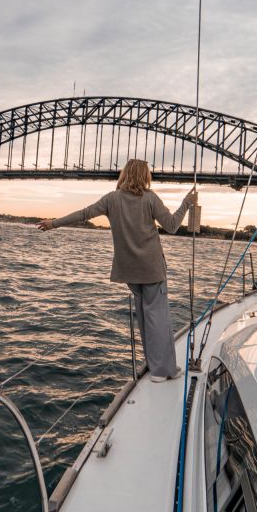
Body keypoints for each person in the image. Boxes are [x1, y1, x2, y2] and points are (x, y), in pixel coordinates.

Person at [37, 159, 197, 383]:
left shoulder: (111, 199)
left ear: (125, 175)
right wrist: (186, 203)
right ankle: (162, 371)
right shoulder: (150, 199)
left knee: (144, 317)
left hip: (129, 270)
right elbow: (171, 226)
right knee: (158, 318)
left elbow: (84, 214)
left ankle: (156, 365)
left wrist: (54, 223)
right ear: (145, 176)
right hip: (152, 268)